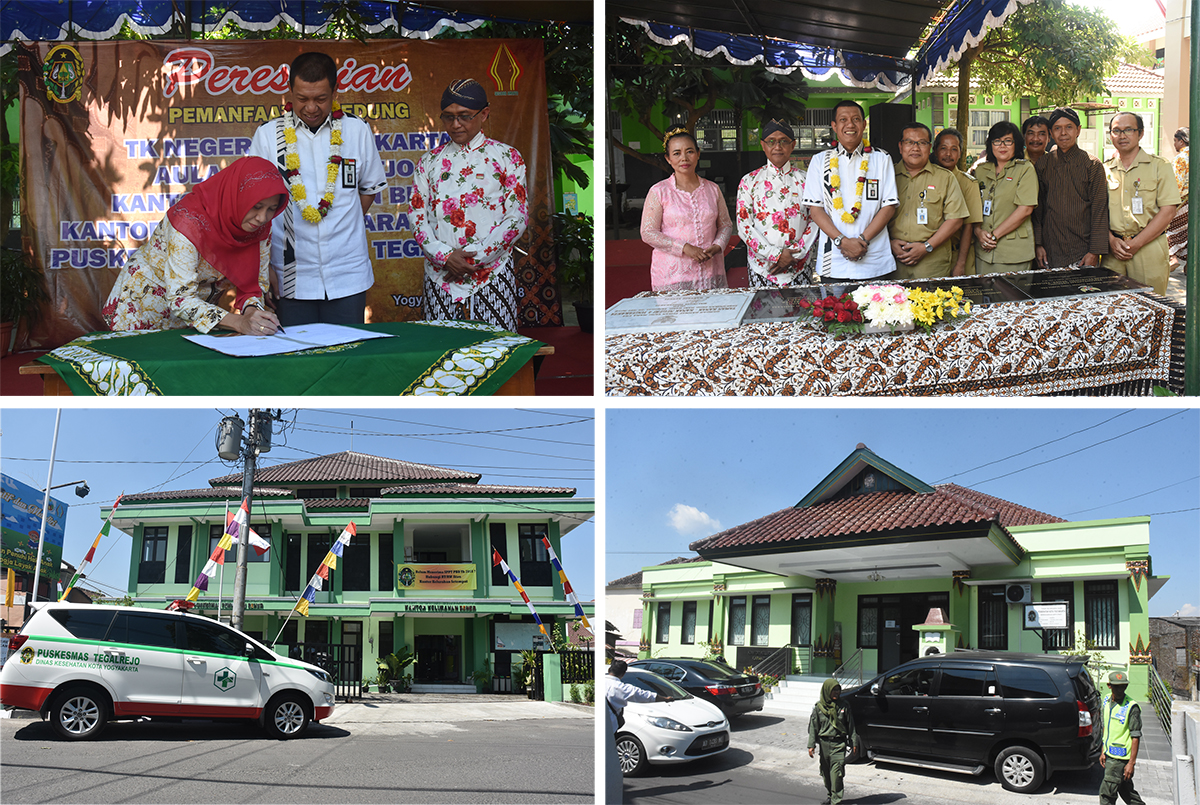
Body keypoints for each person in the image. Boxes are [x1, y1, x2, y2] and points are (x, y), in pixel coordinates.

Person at [248, 52, 388, 326]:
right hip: (290, 276)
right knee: (297, 361)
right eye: (302, 98)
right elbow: (253, 204)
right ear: (290, 92)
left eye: (321, 99)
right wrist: (264, 268)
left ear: (335, 92)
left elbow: (368, 188)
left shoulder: (356, 130)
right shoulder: (267, 135)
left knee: (346, 356)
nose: (311, 107)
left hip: (348, 273)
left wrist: (343, 224)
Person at [103, 156, 287, 335]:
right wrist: (239, 322)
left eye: (272, 209)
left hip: (199, 317)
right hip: (145, 307)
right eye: (257, 206)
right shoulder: (188, 222)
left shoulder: (259, 228)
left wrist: (252, 311)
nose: (263, 217)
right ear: (238, 196)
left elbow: (254, 283)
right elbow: (180, 298)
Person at [413, 79, 528, 329]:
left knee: (496, 353)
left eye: (464, 116)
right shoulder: (429, 163)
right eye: (448, 117)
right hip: (441, 275)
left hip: (491, 275)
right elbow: (417, 217)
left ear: (484, 114)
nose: (455, 125)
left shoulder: (508, 157)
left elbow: (516, 218)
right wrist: (445, 257)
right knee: (443, 355)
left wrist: (472, 260)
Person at [803, 100, 899, 283]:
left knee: (878, 311)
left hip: (875, 260)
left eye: (856, 119)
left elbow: (888, 207)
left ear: (864, 124)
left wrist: (862, 240)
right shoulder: (819, 161)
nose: (850, 125)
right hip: (833, 262)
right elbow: (815, 210)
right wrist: (842, 241)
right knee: (835, 311)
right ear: (834, 126)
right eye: (843, 119)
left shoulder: (881, 159)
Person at [641, 128, 733, 291]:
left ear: (698, 154)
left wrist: (718, 245)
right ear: (668, 159)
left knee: (711, 314)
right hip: (673, 275)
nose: (684, 158)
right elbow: (648, 232)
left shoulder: (712, 189)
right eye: (676, 153)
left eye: (689, 151)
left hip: (711, 270)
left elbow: (725, 225)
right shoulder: (659, 191)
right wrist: (684, 248)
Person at [1102, 112, 1180, 294]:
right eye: (1116, 131)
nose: (1122, 135)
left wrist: (1136, 243)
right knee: (1113, 310)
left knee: (1152, 307)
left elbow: (1168, 210)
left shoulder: (1160, 166)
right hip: (1114, 250)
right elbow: (1098, 212)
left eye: (1128, 130)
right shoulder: (1105, 169)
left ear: (1141, 133)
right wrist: (1111, 239)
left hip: (1149, 247)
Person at [735, 120, 821, 286]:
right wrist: (774, 255)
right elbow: (744, 226)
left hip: (799, 266)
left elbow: (815, 219)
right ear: (763, 145)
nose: (777, 147)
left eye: (783, 141)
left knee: (802, 311)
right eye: (771, 141)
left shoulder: (806, 180)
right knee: (762, 313)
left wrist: (796, 254)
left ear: (793, 144)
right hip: (763, 268)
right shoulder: (749, 181)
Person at [889, 122, 969, 280]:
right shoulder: (887, 176)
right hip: (893, 261)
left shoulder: (945, 177)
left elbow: (956, 219)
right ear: (900, 146)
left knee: (934, 304)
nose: (915, 148)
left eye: (922, 143)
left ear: (930, 147)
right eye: (909, 142)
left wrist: (927, 247)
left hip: (932, 263)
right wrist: (888, 243)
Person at [1033, 107, 1109, 269]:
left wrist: (1095, 252)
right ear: (1051, 134)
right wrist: (1038, 244)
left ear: (1078, 130)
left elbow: (1099, 209)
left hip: (1082, 250)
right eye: (1057, 128)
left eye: (1069, 127)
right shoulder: (1043, 164)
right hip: (1050, 248)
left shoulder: (1092, 165)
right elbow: (1038, 209)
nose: (1063, 133)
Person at [973, 121, 1039, 273]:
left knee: (1012, 296)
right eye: (997, 141)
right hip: (983, 251)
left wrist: (994, 237)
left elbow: (1025, 210)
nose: (1002, 146)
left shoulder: (1025, 169)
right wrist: (977, 231)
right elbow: (973, 206)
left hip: (1013, 253)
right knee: (985, 296)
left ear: (1016, 144)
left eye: (1008, 141)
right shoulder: (981, 170)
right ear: (990, 144)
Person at [932, 127, 984, 276]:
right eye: (943, 148)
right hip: (931, 254)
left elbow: (969, 225)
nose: (948, 154)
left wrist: (961, 264)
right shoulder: (927, 179)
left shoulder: (968, 183)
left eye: (954, 149)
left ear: (960, 153)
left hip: (958, 253)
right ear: (935, 150)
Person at [807, 678, 858, 805]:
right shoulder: (819, 708)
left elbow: (851, 726)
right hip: (824, 745)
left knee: (837, 774)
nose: (836, 693)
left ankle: (836, 800)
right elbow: (814, 727)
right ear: (826, 691)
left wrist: (854, 742)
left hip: (838, 744)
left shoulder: (844, 706)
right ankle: (830, 795)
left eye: (838, 690)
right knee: (825, 773)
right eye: (833, 690)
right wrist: (811, 745)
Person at [1098, 670, 1146, 805]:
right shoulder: (1106, 700)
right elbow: (1106, 728)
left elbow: (1135, 736)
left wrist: (1131, 763)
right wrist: (1103, 751)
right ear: (1109, 686)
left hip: (1119, 760)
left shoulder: (1131, 707)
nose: (1120, 689)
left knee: (1106, 795)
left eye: (1123, 686)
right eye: (1117, 686)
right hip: (1110, 755)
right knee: (1126, 792)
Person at [605, 660, 672, 730]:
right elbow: (645, 695)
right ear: (623, 674)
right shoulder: (620, 688)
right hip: (609, 728)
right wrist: (666, 699)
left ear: (609, 669)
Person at [1167, 127, 1189, 271]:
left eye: (1175, 141)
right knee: (1188, 234)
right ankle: (1189, 265)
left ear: (1181, 141)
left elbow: (1177, 184)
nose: (1174, 144)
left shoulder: (1180, 159)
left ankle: (1171, 257)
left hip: (1183, 203)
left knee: (1166, 231)